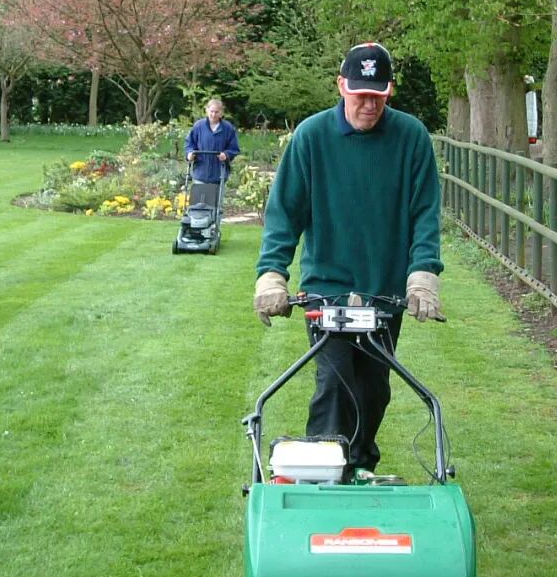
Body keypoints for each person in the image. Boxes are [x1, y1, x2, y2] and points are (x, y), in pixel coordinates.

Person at [252, 42, 444, 474]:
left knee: (374, 388)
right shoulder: (312, 137)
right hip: (326, 288)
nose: (368, 104)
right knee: (335, 385)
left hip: (386, 288)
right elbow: (285, 212)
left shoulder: (410, 137)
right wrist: (271, 274)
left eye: (377, 95)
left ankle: (360, 466)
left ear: (389, 90)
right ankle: (325, 475)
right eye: (359, 94)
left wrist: (423, 273)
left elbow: (425, 212)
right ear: (341, 86)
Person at [184, 98, 240, 184]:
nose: (213, 114)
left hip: (219, 174)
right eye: (211, 111)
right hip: (200, 173)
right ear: (207, 110)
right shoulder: (199, 126)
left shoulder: (228, 128)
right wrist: (190, 154)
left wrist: (226, 155)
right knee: (200, 197)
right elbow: (189, 144)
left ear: (221, 113)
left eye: (216, 112)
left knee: (216, 197)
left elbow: (234, 148)